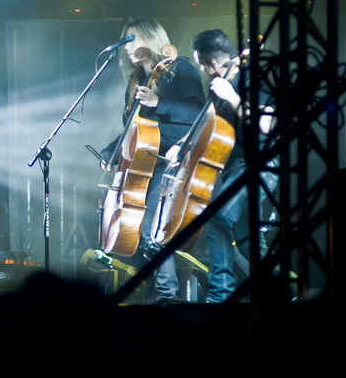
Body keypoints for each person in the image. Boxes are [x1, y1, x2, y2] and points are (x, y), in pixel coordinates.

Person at [100, 18, 206, 301]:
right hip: (141, 162)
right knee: (132, 237)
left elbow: (199, 114)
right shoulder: (137, 80)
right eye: (124, 42)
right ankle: (159, 293)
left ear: (150, 38)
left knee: (151, 232)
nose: (127, 48)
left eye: (131, 39)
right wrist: (110, 152)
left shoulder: (180, 68)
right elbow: (133, 128)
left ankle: (166, 296)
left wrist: (160, 103)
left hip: (172, 160)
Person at [190, 29, 277, 303]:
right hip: (232, 167)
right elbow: (212, 128)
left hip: (261, 163)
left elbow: (264, 126)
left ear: (211, 62)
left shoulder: (253, 77)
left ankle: (219, 296)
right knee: (248, 236)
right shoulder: (217, 85)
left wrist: (232, 96)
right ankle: (276, 293)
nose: (202, 71)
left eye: (202, 65)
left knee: (217, 218)